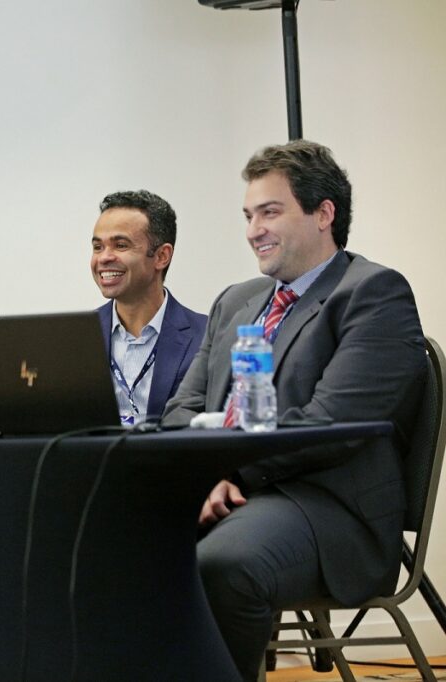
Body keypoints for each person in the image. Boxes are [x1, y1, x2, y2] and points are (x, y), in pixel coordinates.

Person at [162, 140, 426, 680]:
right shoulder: (236, 300)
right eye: (248, 215)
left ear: (324, 213)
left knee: (224, 565)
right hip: (229, 493)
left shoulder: (372, 292)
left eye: (270, 211)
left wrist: (232, 470)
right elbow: (180, 408)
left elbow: (333, 423)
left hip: (328, 508)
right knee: (103, 543)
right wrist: (206, 473)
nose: (253, 228)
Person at [91, 190, 206, 425]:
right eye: (98, 247)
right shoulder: (75, 337)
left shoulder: (206, 336)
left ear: (162, 256)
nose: (104, 258)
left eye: (120, 245)